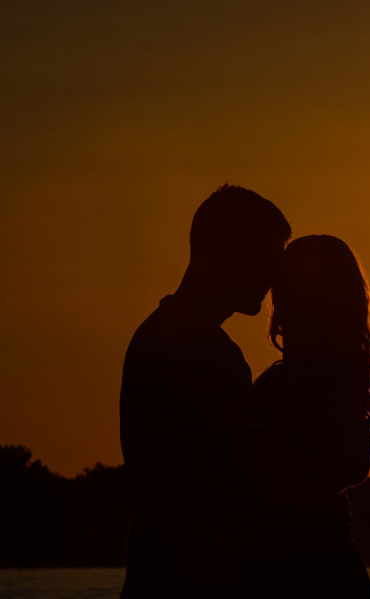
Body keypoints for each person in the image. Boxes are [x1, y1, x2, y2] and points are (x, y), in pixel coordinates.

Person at [119, 184, 291, 598]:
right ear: (225, 250)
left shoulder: (163, 334)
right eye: (266, 256)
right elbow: (252, 480)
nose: (274, 275)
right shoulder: (200, 348)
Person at [254, 235, 370, 598]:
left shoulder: (287, 386)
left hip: (300, 566)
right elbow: (352, 468)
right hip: (332, 561)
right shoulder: (348, 378)